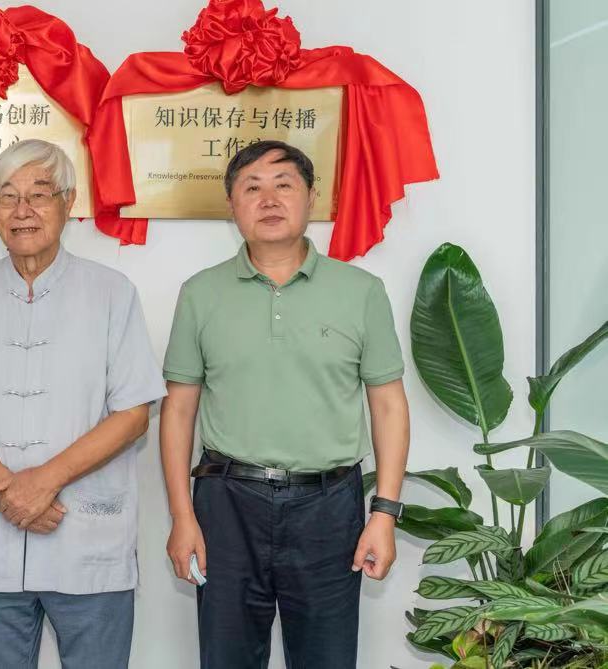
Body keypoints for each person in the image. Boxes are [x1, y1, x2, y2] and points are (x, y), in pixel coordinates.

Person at [160, 141, 411, 668]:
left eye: (284, 185)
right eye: (252, 187)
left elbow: (388, 406)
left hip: (329, 507)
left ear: (311, 197)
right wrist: (182, 517)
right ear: (232, 204)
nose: (269, 199)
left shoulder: (361, 291)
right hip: (227, 505)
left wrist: (384, 514)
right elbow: (178, 411)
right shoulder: (200, 294)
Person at [0, 139, 166, 668]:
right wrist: (10, 490)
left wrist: (44, 481)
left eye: (39, 194)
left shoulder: (111, 291)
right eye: (8, 196)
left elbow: (132, 415)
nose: (22, 210)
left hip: (87, 542)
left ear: (68, 202)